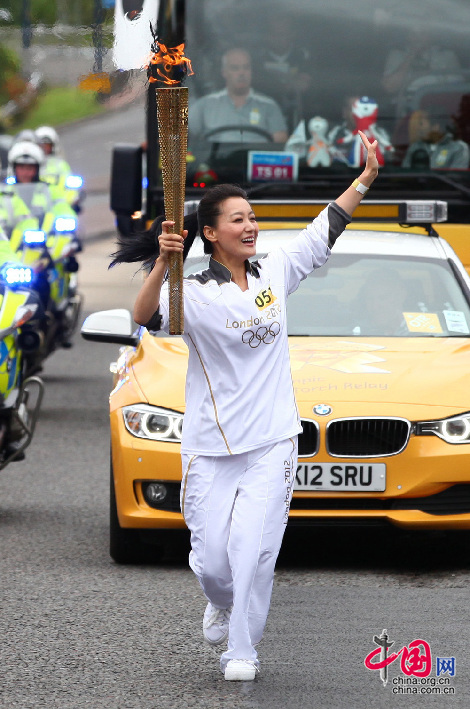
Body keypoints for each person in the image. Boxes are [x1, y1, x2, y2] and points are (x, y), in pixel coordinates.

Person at [112, 131, 378, 681]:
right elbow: (142, 316)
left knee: (254, 550)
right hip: (211, 444)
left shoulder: (274, 272)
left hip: (272, 439)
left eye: (251, 216)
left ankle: (242, 649)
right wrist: (164, 262)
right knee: (214, 565)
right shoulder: (194, 293)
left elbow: (324, 228)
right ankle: (219, 600)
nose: (250, 225)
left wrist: (365, 180)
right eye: (237, 219)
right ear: (209, 234)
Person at [189, 48, 288, 144]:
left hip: (255, 159)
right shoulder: (206, 105)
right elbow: (181, 133)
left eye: (246, 67)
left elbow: (280, 143)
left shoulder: (269, 106)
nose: (242, 73)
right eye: (235, 68)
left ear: (251, 72)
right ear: (224, 73)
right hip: (216, 159)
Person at [382, 27, 465, 119]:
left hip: (441, 111)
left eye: (422, 34)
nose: (418, 38)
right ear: (408, 37)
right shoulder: (397, 54)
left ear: (430, 36)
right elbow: (389, 87)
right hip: (407, 111)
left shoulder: (446, 55)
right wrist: (411, 56)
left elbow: (458, 89)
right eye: (413, 34)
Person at [402, 109, 470, 170]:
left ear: (435, 127)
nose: (419, 128)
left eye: (421, 124)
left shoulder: (459, 148)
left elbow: (456, 178)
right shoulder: (416, 146)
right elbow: (405, 175)